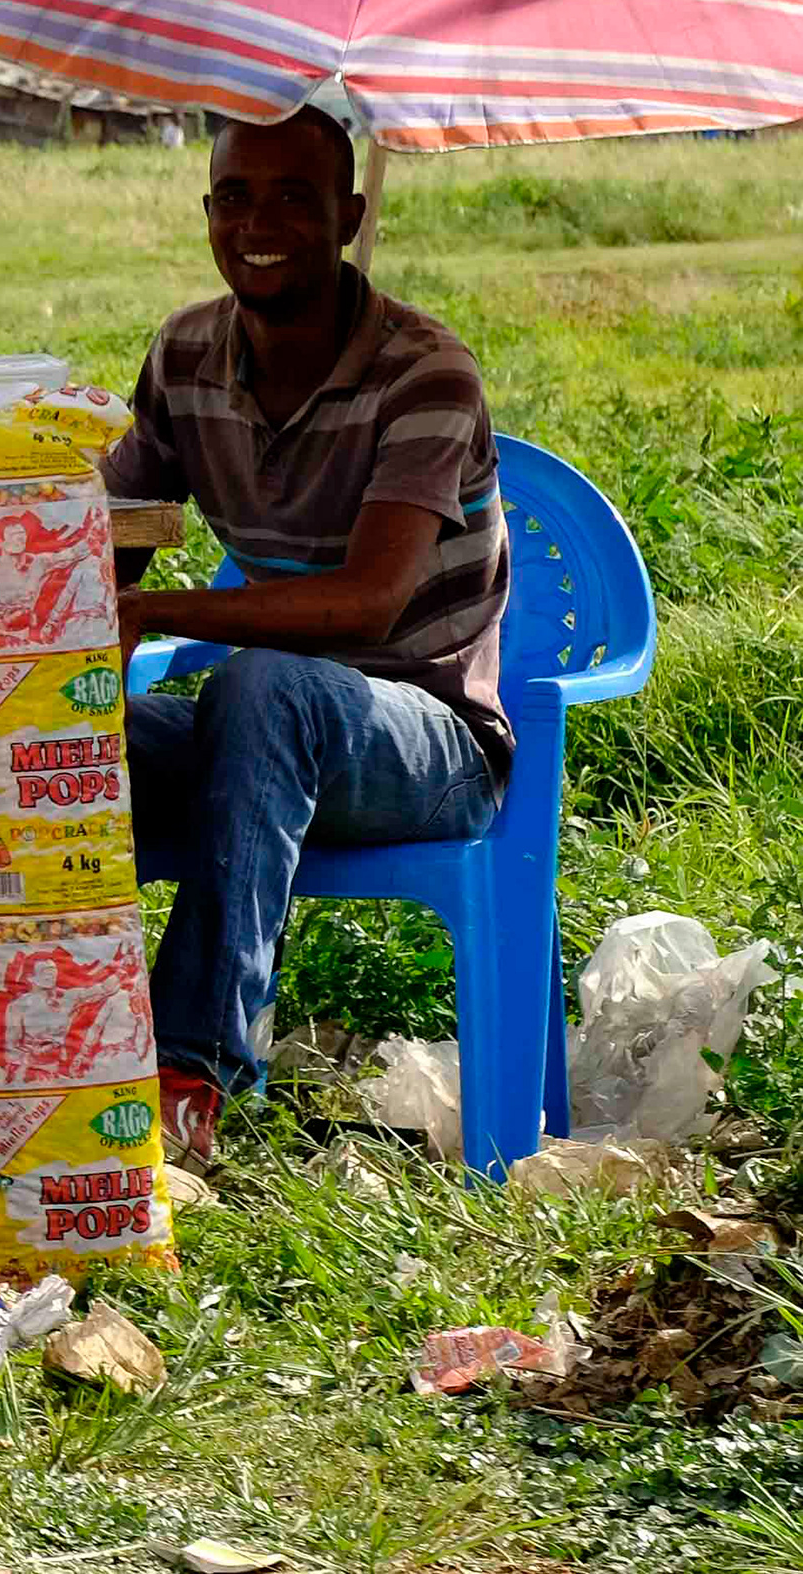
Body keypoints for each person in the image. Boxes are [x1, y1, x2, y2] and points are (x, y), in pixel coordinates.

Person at [105, 104, 511, 1167]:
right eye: (235, 198)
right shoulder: (185, 354)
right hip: (265, 730)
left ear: (350, 216)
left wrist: (157, 614)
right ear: (207, 214)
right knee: (54, 739)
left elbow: (367, 602)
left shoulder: (426, 372)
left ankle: (189, 1082)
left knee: (263, 688)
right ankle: (37, 1059)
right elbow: (112, 540)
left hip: (428, 744)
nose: (259, 224)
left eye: (294, 197)